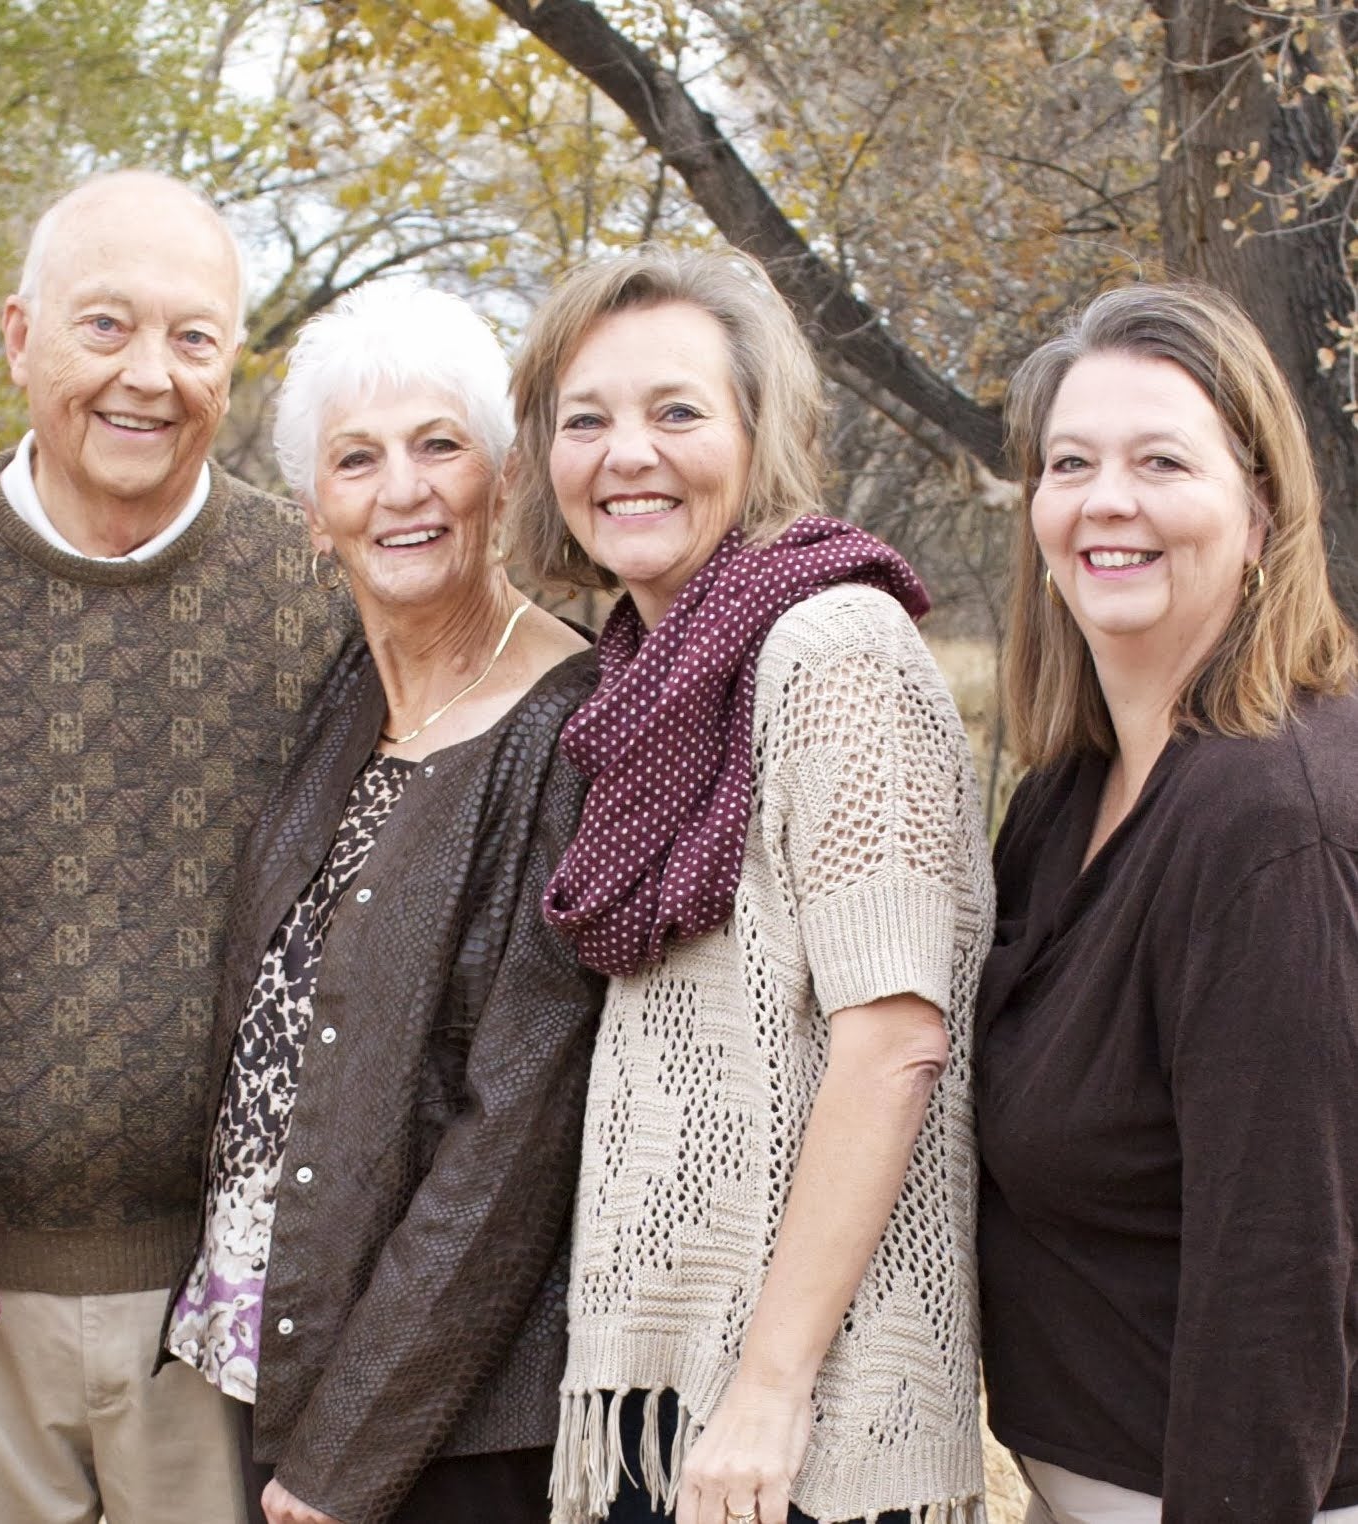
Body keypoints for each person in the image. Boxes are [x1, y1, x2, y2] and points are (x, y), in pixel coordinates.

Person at [0, 169, 351, 1524]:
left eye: (194, 339)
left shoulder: (325, 593)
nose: (150, 376)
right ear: (18, 339)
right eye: (105, 327)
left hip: (232, 1312)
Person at [507, 246, 994, 1524]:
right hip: (664, 1390)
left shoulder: (831, 648)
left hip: (800, 1422)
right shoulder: (641, 675)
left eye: (676, 412)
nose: (627, 455)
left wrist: (768, 1391)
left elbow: (893, 1040)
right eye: (585, 420)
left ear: (755, 431)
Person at [161, 280, 606, 1524]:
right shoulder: (350, 694)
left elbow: (511, 1137)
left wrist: (348, 1450)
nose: (400, 491)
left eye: (437, 446)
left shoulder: (562, 730)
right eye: (356, 460)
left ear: (503, 478)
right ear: (314, 513)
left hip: (450, 1430)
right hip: (283, 1354)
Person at [978, 282, 1358, 1523]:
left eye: (1160, 462)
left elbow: (1280, 1264)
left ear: (1257, 513)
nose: (1105, 502)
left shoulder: (1269, 823)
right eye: (1069, 462)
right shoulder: (1069, 791)